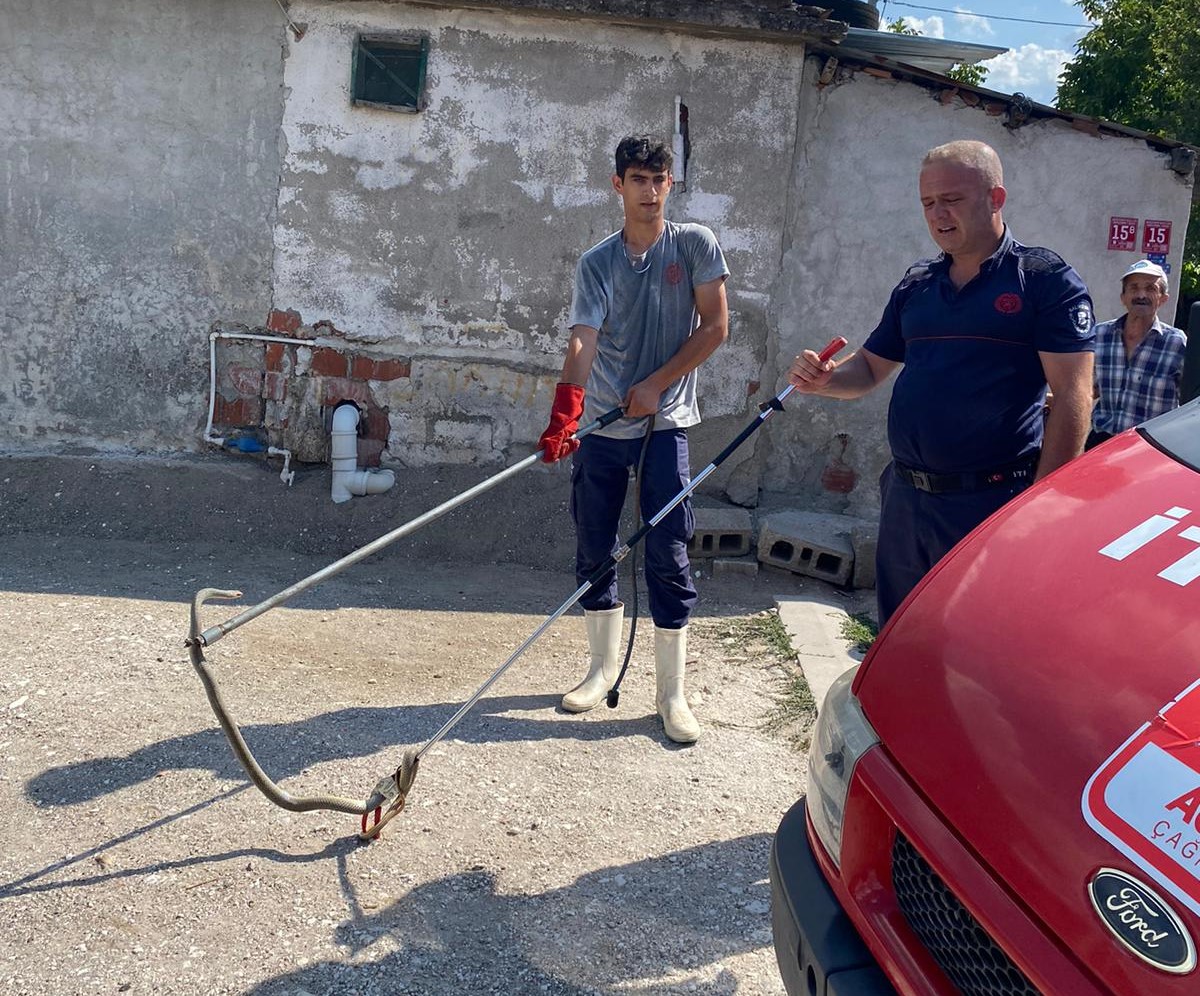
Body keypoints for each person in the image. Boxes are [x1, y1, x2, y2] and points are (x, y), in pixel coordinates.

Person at [788, 139, 1094, 626]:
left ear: (996, 198)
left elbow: (1076, 397)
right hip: (907, 499)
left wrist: (1042, 506)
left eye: (952, 199)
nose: (938, 214)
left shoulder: (1043, 281)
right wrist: (824, 380)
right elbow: (867, 369)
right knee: (899, 636)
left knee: (975, 643)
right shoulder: (917, 285)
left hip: (992, 501)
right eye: (928, 203)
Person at [537, 135, 729, 744]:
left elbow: (716, 327)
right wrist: (566, 409)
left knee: (668, 551)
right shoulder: (597, 262)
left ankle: (671, 693)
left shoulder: (694, 245)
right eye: (638, 179)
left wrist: (656, 384)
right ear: (617, 185)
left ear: (670, 185)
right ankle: (598, 671)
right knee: (595, 542)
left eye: (659, 179)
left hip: (665, 423)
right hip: (603, 427)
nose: (650, 191)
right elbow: (582, 339)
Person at [1087, 258, 1187, 450]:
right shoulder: (1100, 335)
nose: (1141, 295)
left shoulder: (1177, 343)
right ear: (1123, 297)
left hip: (1151, 448)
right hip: (1101, 443)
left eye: (1150, 288)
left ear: (1163, 298)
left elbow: (1190, 401)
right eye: (1133, 288)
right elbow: (1093, 388)